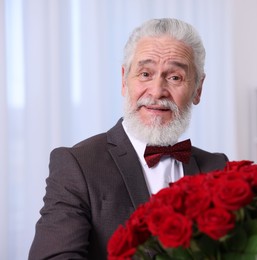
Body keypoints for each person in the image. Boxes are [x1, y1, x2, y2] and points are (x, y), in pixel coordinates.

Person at [29, 18, 228, 259]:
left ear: (198, 89)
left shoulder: (219, 169)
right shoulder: (77, 164)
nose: (157, 91)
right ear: (124, 80)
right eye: (145, 74)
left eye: (175, 77)